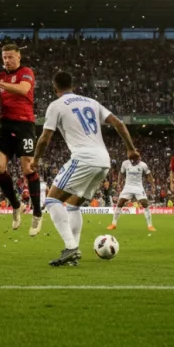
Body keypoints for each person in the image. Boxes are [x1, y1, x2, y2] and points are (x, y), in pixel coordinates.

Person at [31, 72, 139, 267]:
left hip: (83, 158)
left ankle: (71, 247)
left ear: (55, 89)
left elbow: (45, 137)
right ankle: (73, 254)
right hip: (103, 161)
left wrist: (36, 160)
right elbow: (118, 123)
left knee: (52, 199)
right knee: (73, 205)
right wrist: (130, 148)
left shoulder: (56, 105)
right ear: (74, 86)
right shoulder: (92, 102)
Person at [0, 44, 42, 235]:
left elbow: (23, 90)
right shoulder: (0, 76)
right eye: (4, 57)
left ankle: (37, 213)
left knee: (28, 168)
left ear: (18, 57)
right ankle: (16, 205)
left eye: (10, 57)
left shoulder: (26, 72)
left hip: (25, 125)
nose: (7, 60)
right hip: (6, 126)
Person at [108, 158, 156, 231]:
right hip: (128, 186)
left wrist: (153, 185)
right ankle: (113, 224)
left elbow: (149, 175)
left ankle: (150, 226)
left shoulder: (143, 165)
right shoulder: (125, 163)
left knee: (145, 203)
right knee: (120, 202)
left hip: (138, 187)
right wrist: (118, 183)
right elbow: (121, 173)